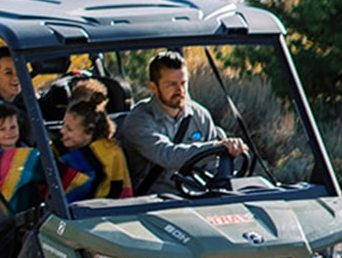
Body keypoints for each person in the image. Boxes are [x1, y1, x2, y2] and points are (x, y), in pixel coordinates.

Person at [115, 49, 246, 193]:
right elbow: (167, 155)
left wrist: (228, 152)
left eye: (183, 83)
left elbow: (212, 168)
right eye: (171, 85)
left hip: (194, 197)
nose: (180, 90)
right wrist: (215, 147)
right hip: (151, 203)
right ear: (153, 87)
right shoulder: (139, 120)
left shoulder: (199, 115)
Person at [54, 97, 132, 201]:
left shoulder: (108, 155)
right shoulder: (58, 148)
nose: (62, 131)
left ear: (89, 133)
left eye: (69, 129)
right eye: (63, 125)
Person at [0, 101, 46, 214]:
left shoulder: (28, 151)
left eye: (13, 127)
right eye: (2, 129)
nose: (9, 133)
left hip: (30, 202)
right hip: (0, 205)